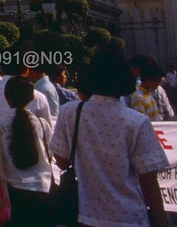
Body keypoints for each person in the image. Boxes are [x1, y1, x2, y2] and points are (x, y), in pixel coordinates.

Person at [51, 47, 169, 227]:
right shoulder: (136, 122)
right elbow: (148, 180)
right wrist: (161, 222)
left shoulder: (69, 112)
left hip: (86, 215)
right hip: (130, 217)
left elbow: (61, 160)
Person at [0, 77, 52, 227]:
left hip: (13, 193)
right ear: (32, 97)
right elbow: (52, 153)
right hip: (43, 190)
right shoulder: (42, 124)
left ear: (6, 97)